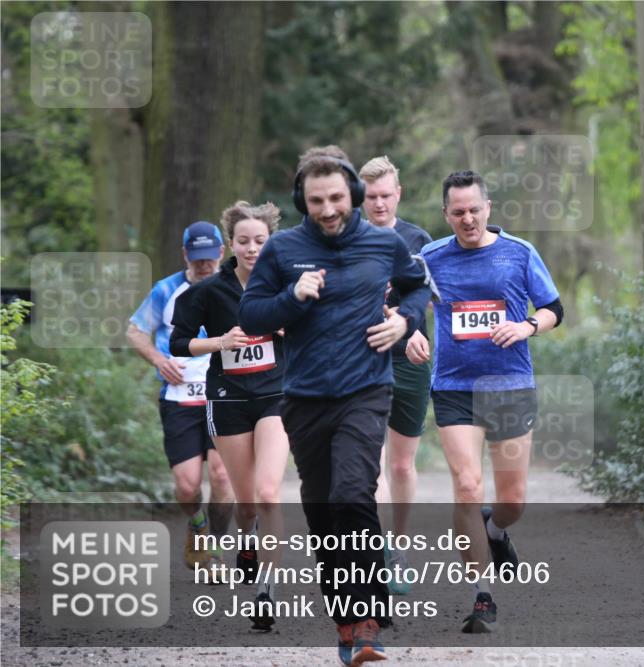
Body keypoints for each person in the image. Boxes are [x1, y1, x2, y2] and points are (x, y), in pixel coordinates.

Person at [239, 146, 432, 666]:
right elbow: (252, 316)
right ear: (303, 199)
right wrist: (292, 298)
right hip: (304, 397)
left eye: (337, 198)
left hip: (366, 391)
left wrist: (404, 322)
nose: (327, 209)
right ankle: (345, 621)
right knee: (324, 511)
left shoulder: (383, 242)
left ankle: (369, 622)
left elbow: (418, 288)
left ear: (355, 194)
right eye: (316, 199)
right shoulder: (282, 250)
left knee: (352, 494)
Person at [407, 170, 563, 633]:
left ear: (488, 207)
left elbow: (556, 308)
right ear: (446, 214)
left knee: (512, 499)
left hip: (510, 385)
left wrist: (527, 326)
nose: (468, 218)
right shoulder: (430, 258)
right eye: (458, 212)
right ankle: (481, 596)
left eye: (475, 209)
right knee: (469, 488)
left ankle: (497, 529)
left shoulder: (519, 253)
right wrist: (412, 331)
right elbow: (399, 305)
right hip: (454, 388)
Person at [169, 201, 289, 631]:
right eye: (244, 241)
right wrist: (219, 342)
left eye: (260, 241)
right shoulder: (208, 292)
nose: (253, 249)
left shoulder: (286, 284)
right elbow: (179, 343)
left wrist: (285, 329)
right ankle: (248, 540)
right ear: (229, 245)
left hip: (277, 396)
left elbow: (316, 329)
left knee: (270, 492)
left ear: (270, 241)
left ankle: (266, 592)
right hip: (229, 400)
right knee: (248, 503)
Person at [126, 221, 234, 578]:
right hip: (179, 399)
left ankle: (215, 550)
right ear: (186, 254)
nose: (204, 265)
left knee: (221, 475)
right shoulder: (166, 290)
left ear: (221, 252)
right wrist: (159, 360)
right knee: (188, 486)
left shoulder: (234, 287)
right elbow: (135, 330)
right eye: (197, 258)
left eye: (210, 258)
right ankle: (197, 522)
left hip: (224, 395)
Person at [360, 156, 432, 594]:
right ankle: (380, 548)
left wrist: (413, 331)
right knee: (372, 463)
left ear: (398, 194)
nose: (380, 204)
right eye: (371, 198)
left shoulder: (417, 240)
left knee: (402, 463)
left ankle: (400, 549)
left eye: (386, 196)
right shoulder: (347, 240)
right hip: (363, 356)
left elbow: (425, 297)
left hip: (410, 357)